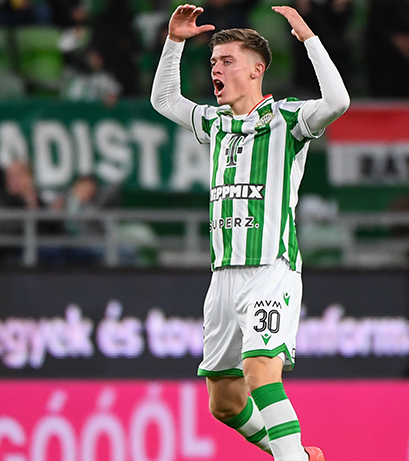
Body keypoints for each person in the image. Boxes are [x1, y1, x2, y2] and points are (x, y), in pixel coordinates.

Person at [150, 4, 349, 461]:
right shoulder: (215, 124)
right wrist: (174, 42)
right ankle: (297, 454)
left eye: (227, 61)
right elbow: (164, 101)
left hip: (270, 268)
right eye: (213, 62)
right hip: (223, 275)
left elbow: (338, 102)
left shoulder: (287, 121)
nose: (215, 69)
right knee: (224, 401)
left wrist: (309, 40)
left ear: (257, 70)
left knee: (260, 372)